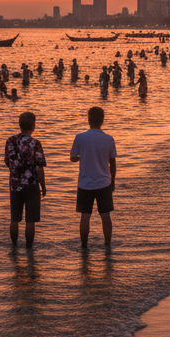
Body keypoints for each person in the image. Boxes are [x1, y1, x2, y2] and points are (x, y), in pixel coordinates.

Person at [69, 106, 117, 248]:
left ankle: (84, 246)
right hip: (104, 182)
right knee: (105, 214)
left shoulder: (80, 137)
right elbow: (112, 162)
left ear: (88, 120)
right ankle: (107, 245)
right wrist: (113, 181)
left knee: (85, 215)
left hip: (85, 183)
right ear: (102, 120)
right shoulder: (108, 139)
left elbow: (72, 157)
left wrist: (80, 157)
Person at [5, 111, 47, 248]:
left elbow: (7, 161)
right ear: (33, 125)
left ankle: (14, 248)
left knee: (14, 219)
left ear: (20, 124)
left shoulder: (10, 141)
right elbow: (40, 167)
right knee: (30, 220)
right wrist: (43, 186)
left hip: (15, 184)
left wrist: (15, 172)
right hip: (31, 184)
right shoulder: (35, 143)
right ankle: (29, 250)